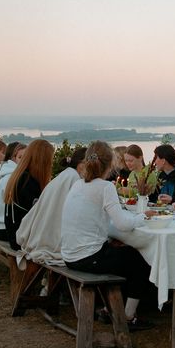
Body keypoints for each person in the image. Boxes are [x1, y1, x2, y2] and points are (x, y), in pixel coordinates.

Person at [61, 141, 154, 330]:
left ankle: (109, 308)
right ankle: (128, 316)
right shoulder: (104, 187)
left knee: (123, 253)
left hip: (69, 254)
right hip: (86, 257)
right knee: (140, 261)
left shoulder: (78, 184)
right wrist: (143, 216)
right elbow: (122, 224)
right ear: (111, 164)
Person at [16, 147, 87, 264]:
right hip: (52, 238)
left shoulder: (66, 174)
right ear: (80, 164)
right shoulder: (73, 179)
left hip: (40, 230)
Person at [3, 139, 55, 250]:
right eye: (50, 161)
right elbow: (40, 216)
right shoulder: (28, 182)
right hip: (20, 240)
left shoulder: (21, 175)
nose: (51, 164)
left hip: (14, 234)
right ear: (43, 161)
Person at [0, 142, 27, 241]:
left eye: (26, 157)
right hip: (5, 229)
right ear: (13, 158)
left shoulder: (6, 173)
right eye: (21, 157)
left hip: (1, 226)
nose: (25, 161)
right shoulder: (11, 178)